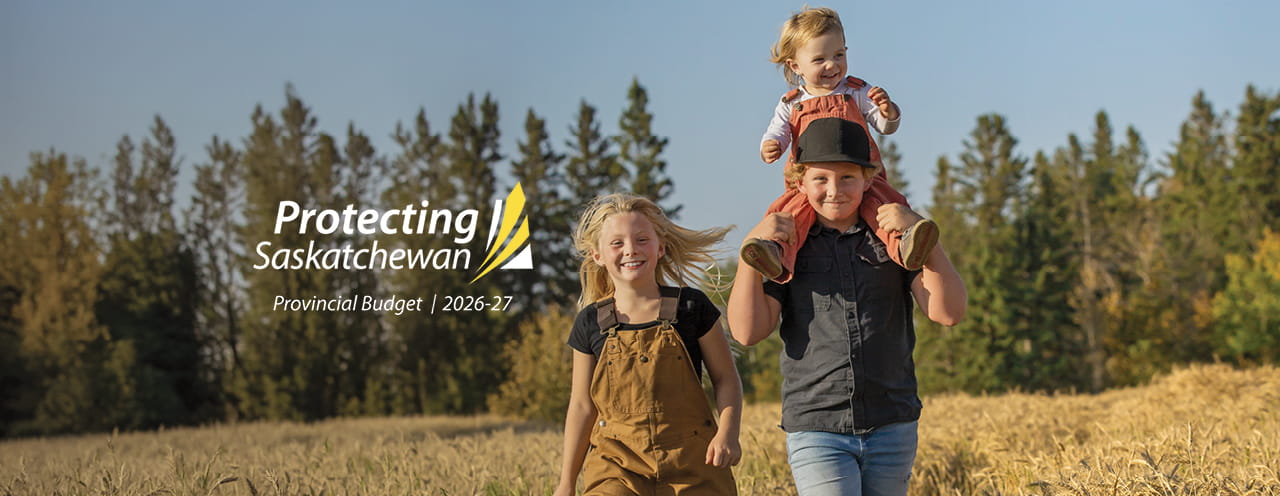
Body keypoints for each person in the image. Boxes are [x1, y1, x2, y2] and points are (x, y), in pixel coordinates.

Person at [728, 117, 967, 496]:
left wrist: (924, 235)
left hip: (892, 422)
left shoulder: (892, 242)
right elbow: (747, 332)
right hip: (817, 425)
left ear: (869, 180)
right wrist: (749, 254)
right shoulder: (786, 247)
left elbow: (948, 312)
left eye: (847, 178)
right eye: (821, 178)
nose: (834, 190)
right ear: (799, 182)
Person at [554, 193, 743, 496]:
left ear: (661, 247)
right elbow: (581, 406)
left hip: (693, 462)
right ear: (597, 255)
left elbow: (726, 378)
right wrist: (566, 483)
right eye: (617, 243)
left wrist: (728, 434)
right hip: (617, 465)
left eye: (642, 239)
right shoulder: (590, 322)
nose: (631, 249)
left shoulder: (692, 307)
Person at [741, 5, 939, 284]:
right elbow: (779, 131)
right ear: (795, 66)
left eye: (839, 55)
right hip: (809, 181)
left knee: (883, 205)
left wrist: (887, 111)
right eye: (819, 59)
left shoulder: (856, 90)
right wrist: (771, 145)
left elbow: (884, 126)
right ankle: (775, 251)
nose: (832, 65)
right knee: (790, 213)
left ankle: (906, 243)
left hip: (862, 173)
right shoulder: (791, 103)